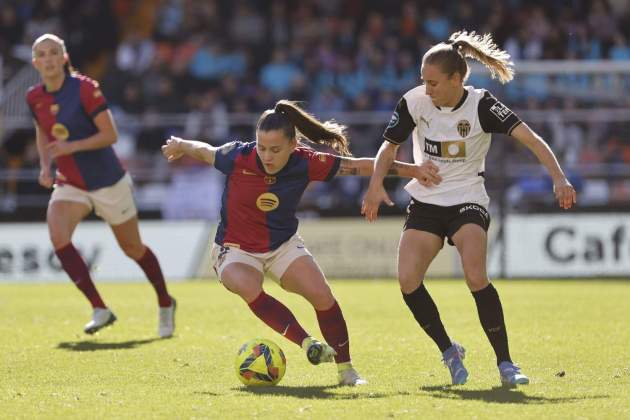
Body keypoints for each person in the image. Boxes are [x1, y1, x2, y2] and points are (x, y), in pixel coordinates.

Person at [161, 99, 440, 386]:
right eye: (262, 147)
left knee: (322, 296)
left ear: (293, 146)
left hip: (281, 245)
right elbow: (204, 151)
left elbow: (358, 166)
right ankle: (308, 344)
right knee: (246, 285)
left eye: (275, 149)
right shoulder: (237, 156)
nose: (267, 156)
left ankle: (346, 371)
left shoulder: (307, 162)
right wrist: (181, 143)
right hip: (234, 249)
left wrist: (414, 170)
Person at [362, 31, 577, 387]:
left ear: (456, 79)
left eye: (433, 82)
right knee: (407, 280)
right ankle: (449, 351)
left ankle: (506, 363)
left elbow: (531, 139)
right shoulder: (414, 101)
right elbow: (389, 148)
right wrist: (374, 186)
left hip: (467, 201)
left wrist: (559, 178)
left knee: (475, 276)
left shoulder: (482, 105)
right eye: (423, 81)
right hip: (427, 202)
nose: (426, 89)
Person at [26, 34, 176, 337]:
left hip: (108, 181)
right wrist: (45, 166)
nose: (48, 59)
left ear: (64, 58)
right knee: (58, 236)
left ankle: (165, 301)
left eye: (54, 52)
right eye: (42, 54)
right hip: (70, 182)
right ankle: (99, 308)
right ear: (35, 62)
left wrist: (72, 147)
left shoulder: (84, 89)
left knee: (132, 248)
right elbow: (43, 132)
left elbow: (111, 135)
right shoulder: (34, 97)